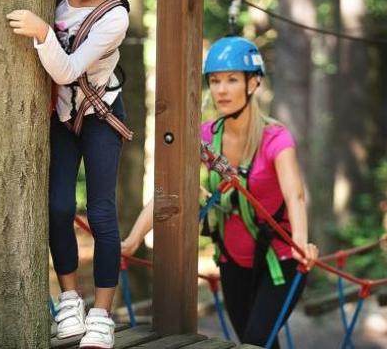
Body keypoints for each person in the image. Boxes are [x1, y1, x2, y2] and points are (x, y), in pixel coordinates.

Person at [121, 36, 318, 348]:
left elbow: (296, 195)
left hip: (282, 261)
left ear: (253, 83)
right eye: (214, 81)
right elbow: (170, 190)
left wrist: (301, 244)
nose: (221, 90)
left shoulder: (275, 139)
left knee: (255, 341)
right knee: (256, 343)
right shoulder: (204, 137)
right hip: (232, 261)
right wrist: (132, 240)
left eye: (231, 80)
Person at [7, 0, 140, 349]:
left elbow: (65, 70)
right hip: (62, 117)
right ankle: (69, 300)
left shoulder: (115, 16)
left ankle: (102, 312)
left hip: (100, 116)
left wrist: (42, 32)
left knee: (101, 212)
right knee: (58, 207)